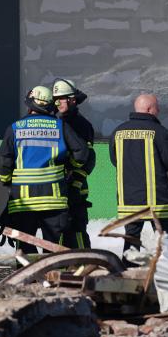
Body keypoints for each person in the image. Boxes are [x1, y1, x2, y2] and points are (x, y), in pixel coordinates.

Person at [0, 86, 89, 252]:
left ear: (30, 105)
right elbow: (82, 152)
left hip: (23, 203)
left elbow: (4, 162)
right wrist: (70, 169)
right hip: (54, 200)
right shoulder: (60, 126)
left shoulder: (15, 128)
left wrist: (6, 180)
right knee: (54, 249)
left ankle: (29, 278)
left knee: (25, 248)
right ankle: (52, 277)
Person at [109, 94, 168, 258]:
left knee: (131, 240)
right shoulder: (160, 132)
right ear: (149, 109)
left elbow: (115, 161)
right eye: (157, 107)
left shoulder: (117, 132)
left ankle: (128, 273)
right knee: (165, 240)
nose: (159, 110)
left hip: (129, 200)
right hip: (157, 200)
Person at [52, 78, 96, 249]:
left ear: (72, 99)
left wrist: (76, 183)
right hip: (58, 187)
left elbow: (88, 158)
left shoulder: (81, 125)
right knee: (58, 230)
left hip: (75, 188)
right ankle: (61, 270)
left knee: (77, 229)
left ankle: (84, 267)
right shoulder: (56, 123)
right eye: (55, 99)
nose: (57, 103)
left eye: (60, 99)